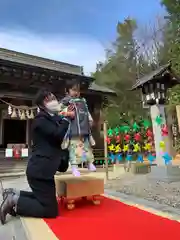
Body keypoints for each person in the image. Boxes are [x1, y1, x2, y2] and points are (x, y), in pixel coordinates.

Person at [0, 89, 74, 225]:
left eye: (53, 97)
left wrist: (68, 110)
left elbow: (61, 118)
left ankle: (14, 193)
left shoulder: (51, 118)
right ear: (42, 105)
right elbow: (58, 133)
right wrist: (67, 118)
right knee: (50, 210)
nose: (53, 101)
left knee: (44, 199)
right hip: (40, 171)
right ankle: (13, 200)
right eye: (48, 99)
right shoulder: (40, 121)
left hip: (43, 170)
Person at [59, 79, 96, 177]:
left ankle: (89, 163)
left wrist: (90, 120)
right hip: (73, 129)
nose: (76, 92)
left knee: (86, 147)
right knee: (74, 149)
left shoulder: (83, 102)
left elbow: (86, 112)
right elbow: (59, 113)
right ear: (67, 91)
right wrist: (67, 112)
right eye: (74, 90)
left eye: (78, 90)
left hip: (84, 129)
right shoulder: (65, 102)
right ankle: (74, 167)